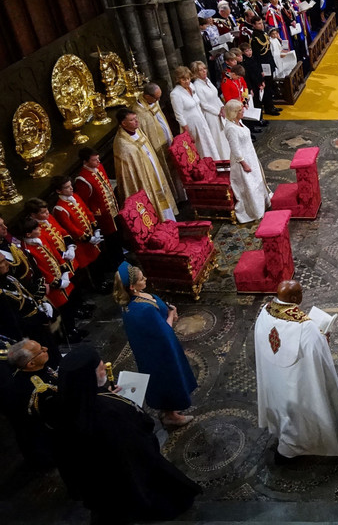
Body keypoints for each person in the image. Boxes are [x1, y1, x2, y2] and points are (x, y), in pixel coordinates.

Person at [51, 346, 201, 522]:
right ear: (89, 377)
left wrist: (105, 394)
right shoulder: (108, 413)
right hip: (126, 469)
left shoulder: (68, 404)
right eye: (100, 367)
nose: (104, 368)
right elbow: (136, 441)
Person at [255, 279, 338, 460]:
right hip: (297, 380)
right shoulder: (306, 326)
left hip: (275, 377)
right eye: (302, 292)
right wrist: (323, 338)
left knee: (283, 407)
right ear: (296, 297)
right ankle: (298, 446)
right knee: (303, 413)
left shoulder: (264, 312)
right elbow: (318, 354)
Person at [114, 262, 197, 428]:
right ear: (131, 286)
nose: (145, 279)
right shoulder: (142, 310)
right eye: (141, 279)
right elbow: (164, 330)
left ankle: (167, 410)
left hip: (151, 347)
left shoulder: (132, 300)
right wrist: (172, 315)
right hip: (160, 350)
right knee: (168, 378)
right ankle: (170, 415)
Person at [0, 339, 59, 469]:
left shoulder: (35, 369)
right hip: (49, 444)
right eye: (40, 351)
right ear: (31, 363)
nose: (46, 349)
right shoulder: (39, 390)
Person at [113, 108, 179, 221]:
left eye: (136, 118)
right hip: (144, 177)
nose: (137, 121)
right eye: (132, 120)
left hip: (153, 169)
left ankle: (169, 220)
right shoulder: (123, 145)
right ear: (123, 123)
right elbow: (131, 172)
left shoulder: (137, 130)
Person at [223, 99, 271, 223]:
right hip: (242, 162)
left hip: (250, 156)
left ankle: (262, 205)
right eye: (239, 110)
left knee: (257, 181)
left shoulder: (239, 122)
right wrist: (244, 164)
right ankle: (253, 211)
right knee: (249, 185)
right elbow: (235, 149)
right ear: (233, 113)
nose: (242, 111)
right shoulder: (231, 128)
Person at [170, 66, 222, 160]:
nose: (187, 81)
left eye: (188, 78)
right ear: (178, 80)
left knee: (209, 144)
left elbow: (198, 104)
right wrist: (187, 131)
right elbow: (179, 115)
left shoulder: (191, 86)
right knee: (200, 148)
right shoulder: (175, 94)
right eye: (183, 79)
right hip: (191, 125)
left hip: (201, 121)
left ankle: (215, 163)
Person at [50, 175, 102, 272]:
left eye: (70, 185)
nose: (71, 188)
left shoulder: (75, 196)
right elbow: (70, 228)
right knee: (90, 268)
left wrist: (96, 229)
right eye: (67, 187)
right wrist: (88, 238)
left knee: (98, 261)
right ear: (59, 191)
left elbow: (87, 212)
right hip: (81, 244)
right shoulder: (60, 209)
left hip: (92, 236)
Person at [190, 61, 230, 159]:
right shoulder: (197, 86)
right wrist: (218, 112)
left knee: (223, 136)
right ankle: (221, 158)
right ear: (196, 72)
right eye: (200, 70)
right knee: (217, 138)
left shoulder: (207, 80)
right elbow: (204, 104)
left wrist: (222, 107)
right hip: (210, 115)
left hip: (218, 112)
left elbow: (216, 96)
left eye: (205, 68)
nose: (204, 71)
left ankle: (228, 156)